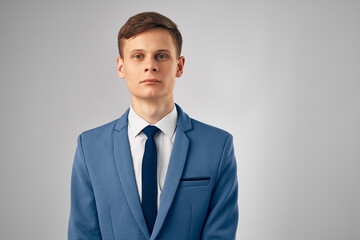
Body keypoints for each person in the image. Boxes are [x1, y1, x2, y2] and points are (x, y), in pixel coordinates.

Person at [68, 11, 238, 240]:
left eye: (161, 56)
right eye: (138, 56)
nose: (150, 65)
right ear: (121, 67)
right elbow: (83, 234)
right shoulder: (90, 147)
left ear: (179, 66)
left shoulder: (217, 146)